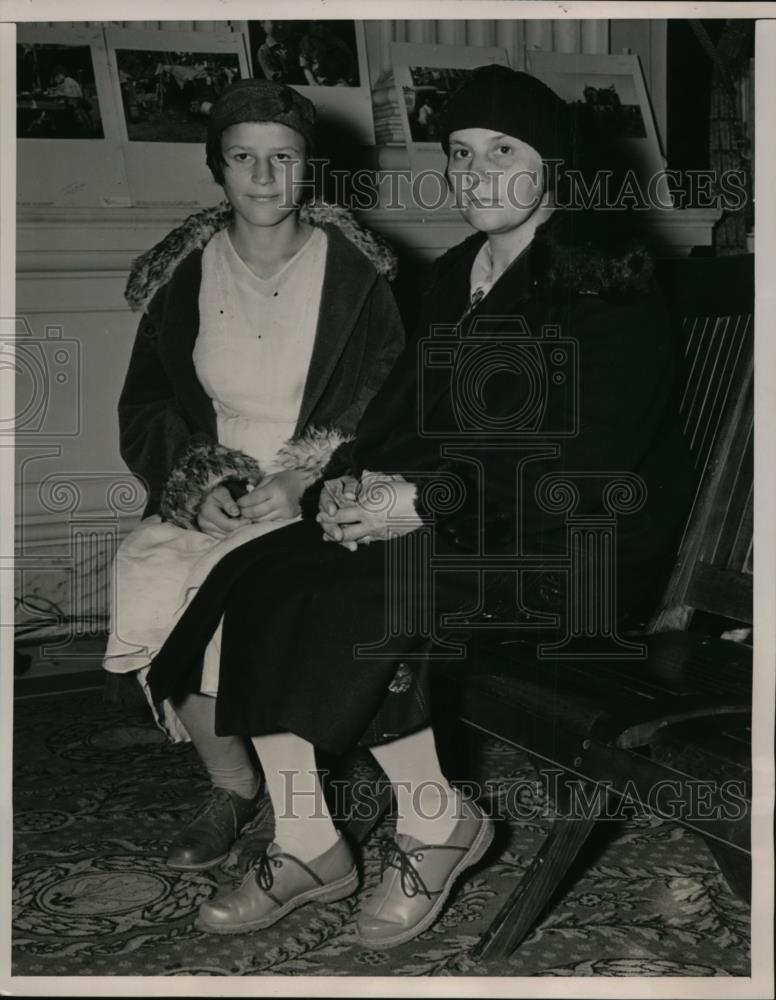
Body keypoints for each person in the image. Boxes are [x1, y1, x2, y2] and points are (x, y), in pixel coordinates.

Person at [145, 65, 696, 948]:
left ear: (554, 163)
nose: (476, 174)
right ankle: (306, 838)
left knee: (376, 590)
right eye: (460, 154)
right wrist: (345, 490)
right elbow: (393, 421)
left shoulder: (606, 280)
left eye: (502, 152)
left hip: (576, 543)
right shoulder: (453, 281)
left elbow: (589, 458)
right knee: (261, 572)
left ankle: (437, 822)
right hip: (460, 521)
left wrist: (425, 500)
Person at [102, 78, 405, 875]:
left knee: (253, 604)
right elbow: (149, 401)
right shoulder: (185, 275)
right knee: (150, 576)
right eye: (244, 158)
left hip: (319, 480)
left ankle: (301, 817)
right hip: (219, 476)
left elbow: (392, 401)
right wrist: (196, 482)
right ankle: (233, 784)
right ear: (218, 168)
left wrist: (310, 474)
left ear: (312, 169)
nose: (265, 179)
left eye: (284, 159)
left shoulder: (359, 277)